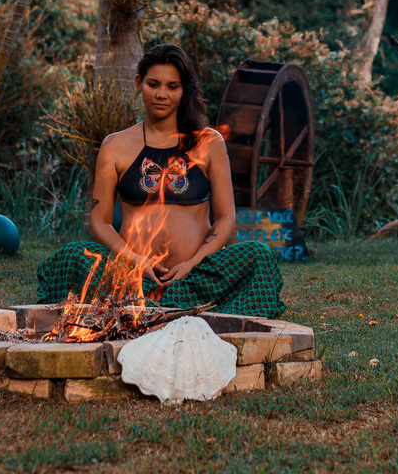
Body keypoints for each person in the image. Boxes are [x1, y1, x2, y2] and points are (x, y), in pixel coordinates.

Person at [36, 44, 286, 318]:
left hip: (194, 279)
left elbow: (226, 218)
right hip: (133, 280)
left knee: (259, 254)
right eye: (153, 84)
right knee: (74, 255)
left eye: (172, 87)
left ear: (183, 90)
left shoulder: (209, 142)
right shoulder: (115, 145)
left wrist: (192, 263)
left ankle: (200, 313)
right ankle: (151, 311)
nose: (161, 95)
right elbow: (100, 222)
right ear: (138, 83)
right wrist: (137, 261)